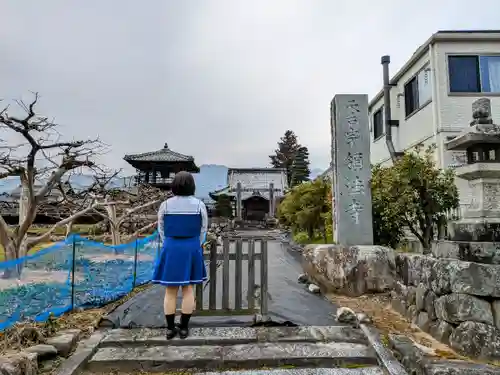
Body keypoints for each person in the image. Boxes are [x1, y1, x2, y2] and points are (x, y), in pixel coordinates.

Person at [152, 171, 208, 339]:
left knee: (170, 290)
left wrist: (168, 241)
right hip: (191, 246)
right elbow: (204, 228)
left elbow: (160, 227)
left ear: (174, 185)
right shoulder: (199, 204)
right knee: (188, 288)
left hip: (171, 246)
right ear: (192, 185)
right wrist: (196, 243)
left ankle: (170, 329)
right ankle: (183, 328)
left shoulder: (166, 205)